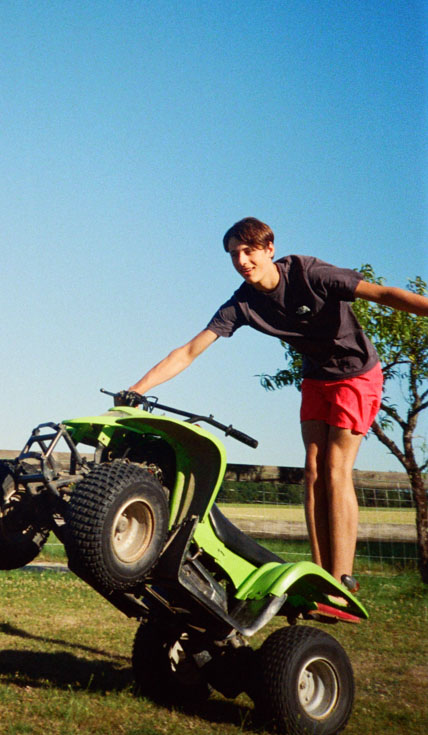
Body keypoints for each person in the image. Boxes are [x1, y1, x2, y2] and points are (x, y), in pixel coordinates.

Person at [121, 217, 428, 590]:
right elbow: (188, 351)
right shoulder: (243, 303)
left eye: (249, 251)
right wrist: (137, 389)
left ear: (270, 249)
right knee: (313, 470)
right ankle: (321, 571)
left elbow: (383, 294)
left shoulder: (309, 273)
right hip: (316, 377)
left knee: (335, 468)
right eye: (234, 254)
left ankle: (343, 576)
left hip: (357, 374)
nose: (242, 260)